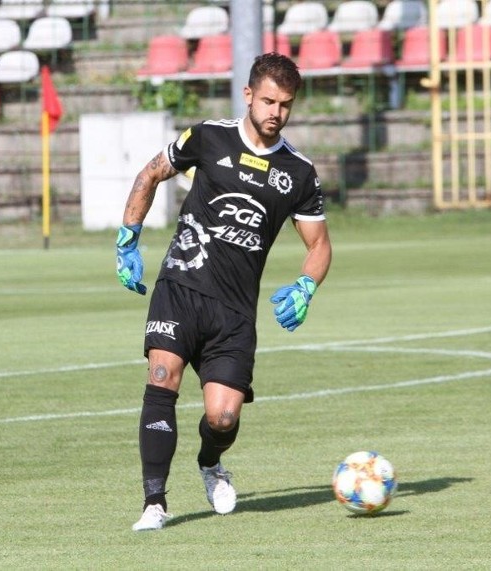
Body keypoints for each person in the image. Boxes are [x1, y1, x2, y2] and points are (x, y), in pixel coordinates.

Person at [115, 52, 332, 531]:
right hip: (181, 285)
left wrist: (306, 284)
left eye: (287, 105)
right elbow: (151, 172)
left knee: (223, 418)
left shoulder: (298, 173)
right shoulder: (208, 137)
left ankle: (211, 463)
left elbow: (318, 244)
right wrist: (129, 234)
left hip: (234, 311)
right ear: (249, 95)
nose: (276, 112)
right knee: (161, 376)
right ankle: (154, 503)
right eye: (269, 101)